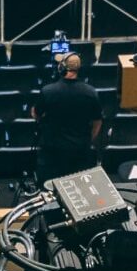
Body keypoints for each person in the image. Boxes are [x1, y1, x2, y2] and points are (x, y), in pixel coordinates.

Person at [31, 53, 103, 184]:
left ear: (62, 68)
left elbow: (36, 115)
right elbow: (97, 122)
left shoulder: (48, 91)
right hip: (80, 151)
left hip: (52, 152)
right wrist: (87, 140)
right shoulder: (91, 92)